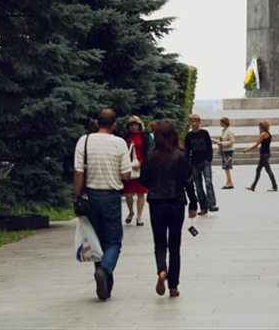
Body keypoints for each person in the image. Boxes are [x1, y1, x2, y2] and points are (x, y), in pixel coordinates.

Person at [73, 107, 131, 301]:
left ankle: (105, 286)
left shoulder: (84, 141)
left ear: (97, 123)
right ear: (114, 125)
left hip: (90, 197)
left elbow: (79, 172)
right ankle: (105, 273)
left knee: (96, 241)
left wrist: (77, 195)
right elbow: (126, 175)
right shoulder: (120, 143)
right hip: (111, 197)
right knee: (113, 241)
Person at [139, 119, 198, 298]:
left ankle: (161, 270)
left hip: (156, 202)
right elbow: (188, 181)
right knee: (174, 245)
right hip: (176, 202)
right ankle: (173, 286)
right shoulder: (181, 155)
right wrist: (193, 203)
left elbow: (143, 180)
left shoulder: (150, 156)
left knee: (159, 243)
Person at [184, 114, 218, 213]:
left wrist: (209, 158)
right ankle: (203, 207)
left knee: (208, 183)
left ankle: (212, 204)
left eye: (196, 121)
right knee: (198, 186)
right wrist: (188, 162)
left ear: (199, 122)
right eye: (192, 121)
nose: (194, 123)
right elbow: (187, 150)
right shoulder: (188, 136)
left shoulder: (204, 133)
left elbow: (209, 146)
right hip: (194, 162)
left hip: (205, 161)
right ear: (190, 123)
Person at [124, 115, 149, 225]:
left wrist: (140, 163)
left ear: (139, 126)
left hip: (140, 166)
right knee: (128, 194)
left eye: (135, 125)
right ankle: (131, 212)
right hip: (128, 166)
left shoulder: (143, 137)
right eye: (131, 125)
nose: (134, 127)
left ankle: (139, 217)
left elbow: (147, 152)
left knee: (140, 193)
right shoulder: (126, 137)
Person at [244, 119, 277, 192]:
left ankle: (275, 186)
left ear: (262, 127)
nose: (258, 128)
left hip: (264, 154)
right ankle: (253, 186)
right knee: (258, 169)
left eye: (259, 127)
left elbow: (256, 144)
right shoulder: (268, 133)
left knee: (268, 170)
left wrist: (247, 149)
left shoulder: (263, 134)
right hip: (266, 153)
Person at [212, 117, 235, 189]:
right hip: (224, 150)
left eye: (221, 122)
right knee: (226, 167)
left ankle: (229, 182)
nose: (220, 124)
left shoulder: (229, 131)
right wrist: (216, 141)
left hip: (228, 150)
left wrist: (221, 143)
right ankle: (229, 181)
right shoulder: (224, 131)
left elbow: (231, 141)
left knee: (226, 166)